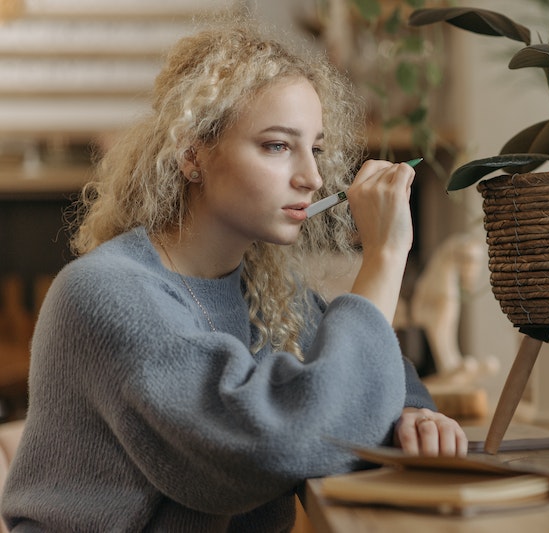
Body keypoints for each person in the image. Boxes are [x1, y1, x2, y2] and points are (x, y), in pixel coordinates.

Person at [1, 16, 467, 533]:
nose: (311, 177)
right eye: (276, 145)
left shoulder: (268, 293)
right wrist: (384, 255)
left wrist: (412, 416)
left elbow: (375, 374)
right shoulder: (105, 294)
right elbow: (274, 445)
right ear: (192, 153)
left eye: (314, 148)